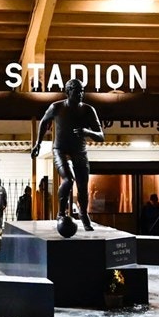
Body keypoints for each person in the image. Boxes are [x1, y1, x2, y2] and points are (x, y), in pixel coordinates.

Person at [29, 78, 105, 231]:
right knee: (68, 179)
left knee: (83, 186)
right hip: (60, 149)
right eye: (77, 91)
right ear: (68, 92)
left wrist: (86, 132)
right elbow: (44, 122)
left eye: (82, 91)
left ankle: (83, 214)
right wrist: (37, 144)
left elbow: (101, 136)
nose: (81, 94)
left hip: (79, 151)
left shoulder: (88, 110)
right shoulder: (56, 107)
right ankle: (60, 213)